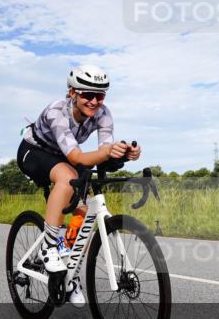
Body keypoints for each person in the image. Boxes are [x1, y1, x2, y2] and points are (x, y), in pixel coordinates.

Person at [17, 65, 141, 306]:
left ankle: (70, 275)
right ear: (72, 93)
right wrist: (107, 152)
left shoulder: (104, 114)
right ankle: (50, 247)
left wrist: (125, 153)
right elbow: (76, 158)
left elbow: (105, 149)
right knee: (66, 176)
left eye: (100, 95)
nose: (94, 101)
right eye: (87, 95)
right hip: (35, 151)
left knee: (84, 216)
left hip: (64, 155)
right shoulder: (57, 111)